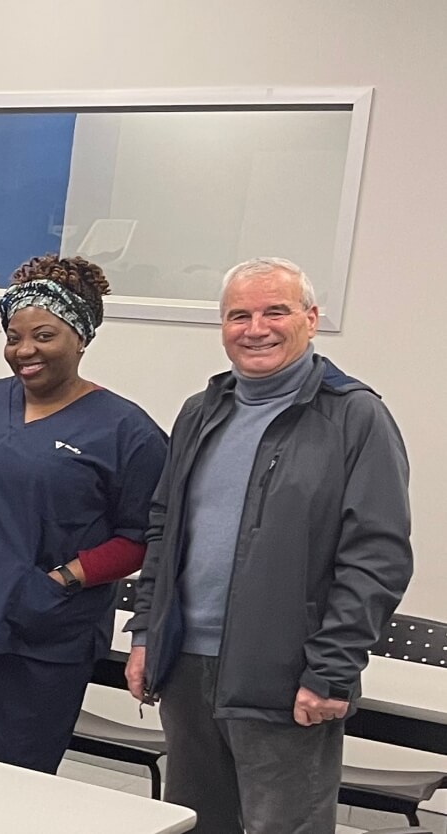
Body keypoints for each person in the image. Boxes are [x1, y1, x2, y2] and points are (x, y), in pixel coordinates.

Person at [124, 257, 412, 834]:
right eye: (239, 315)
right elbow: (164, 529)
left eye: (274, 311)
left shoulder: (355, 417)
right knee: (198, 823)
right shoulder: (201, 412)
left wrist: (330, 671)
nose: (256, 328)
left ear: (310, 318)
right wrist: (147, 634)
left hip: (286, 677)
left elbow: (376, 559)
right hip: (185, 667)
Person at [0, 256, 165, 771]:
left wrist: (65, 578)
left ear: (82, 336)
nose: (24, 350)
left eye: (44, 335)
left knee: (17, 783)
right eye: (13, 336)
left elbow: (142, 535)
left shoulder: (126, 431)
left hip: (44, 635)